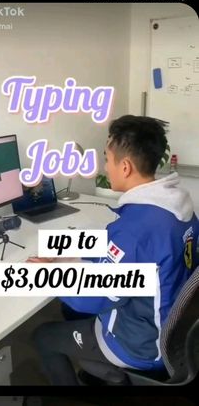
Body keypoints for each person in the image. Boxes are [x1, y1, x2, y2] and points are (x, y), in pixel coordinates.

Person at [28, 115, 199, 385]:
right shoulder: (177, 206)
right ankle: (102, 370)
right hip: (166, 324)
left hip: (140, 344)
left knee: (43, 336)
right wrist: (71, 253)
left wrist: (48, 274)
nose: (106, 168)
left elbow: (92, 299)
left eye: (107, 159)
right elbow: (134, 253)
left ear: (126, 166)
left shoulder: (135, 230)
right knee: (70, 312)